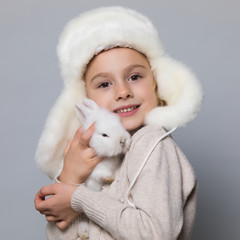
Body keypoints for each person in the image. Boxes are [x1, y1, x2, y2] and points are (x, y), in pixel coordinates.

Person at [34, 6, 203, 240]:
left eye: (134, 77)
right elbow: (60, 234)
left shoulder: (151, 142)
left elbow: (156, 233)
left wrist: (78, 197)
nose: (123, 92)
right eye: (104, 84)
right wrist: (69, 178)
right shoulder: (97, 155)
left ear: (156, 82)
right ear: (86, 98)